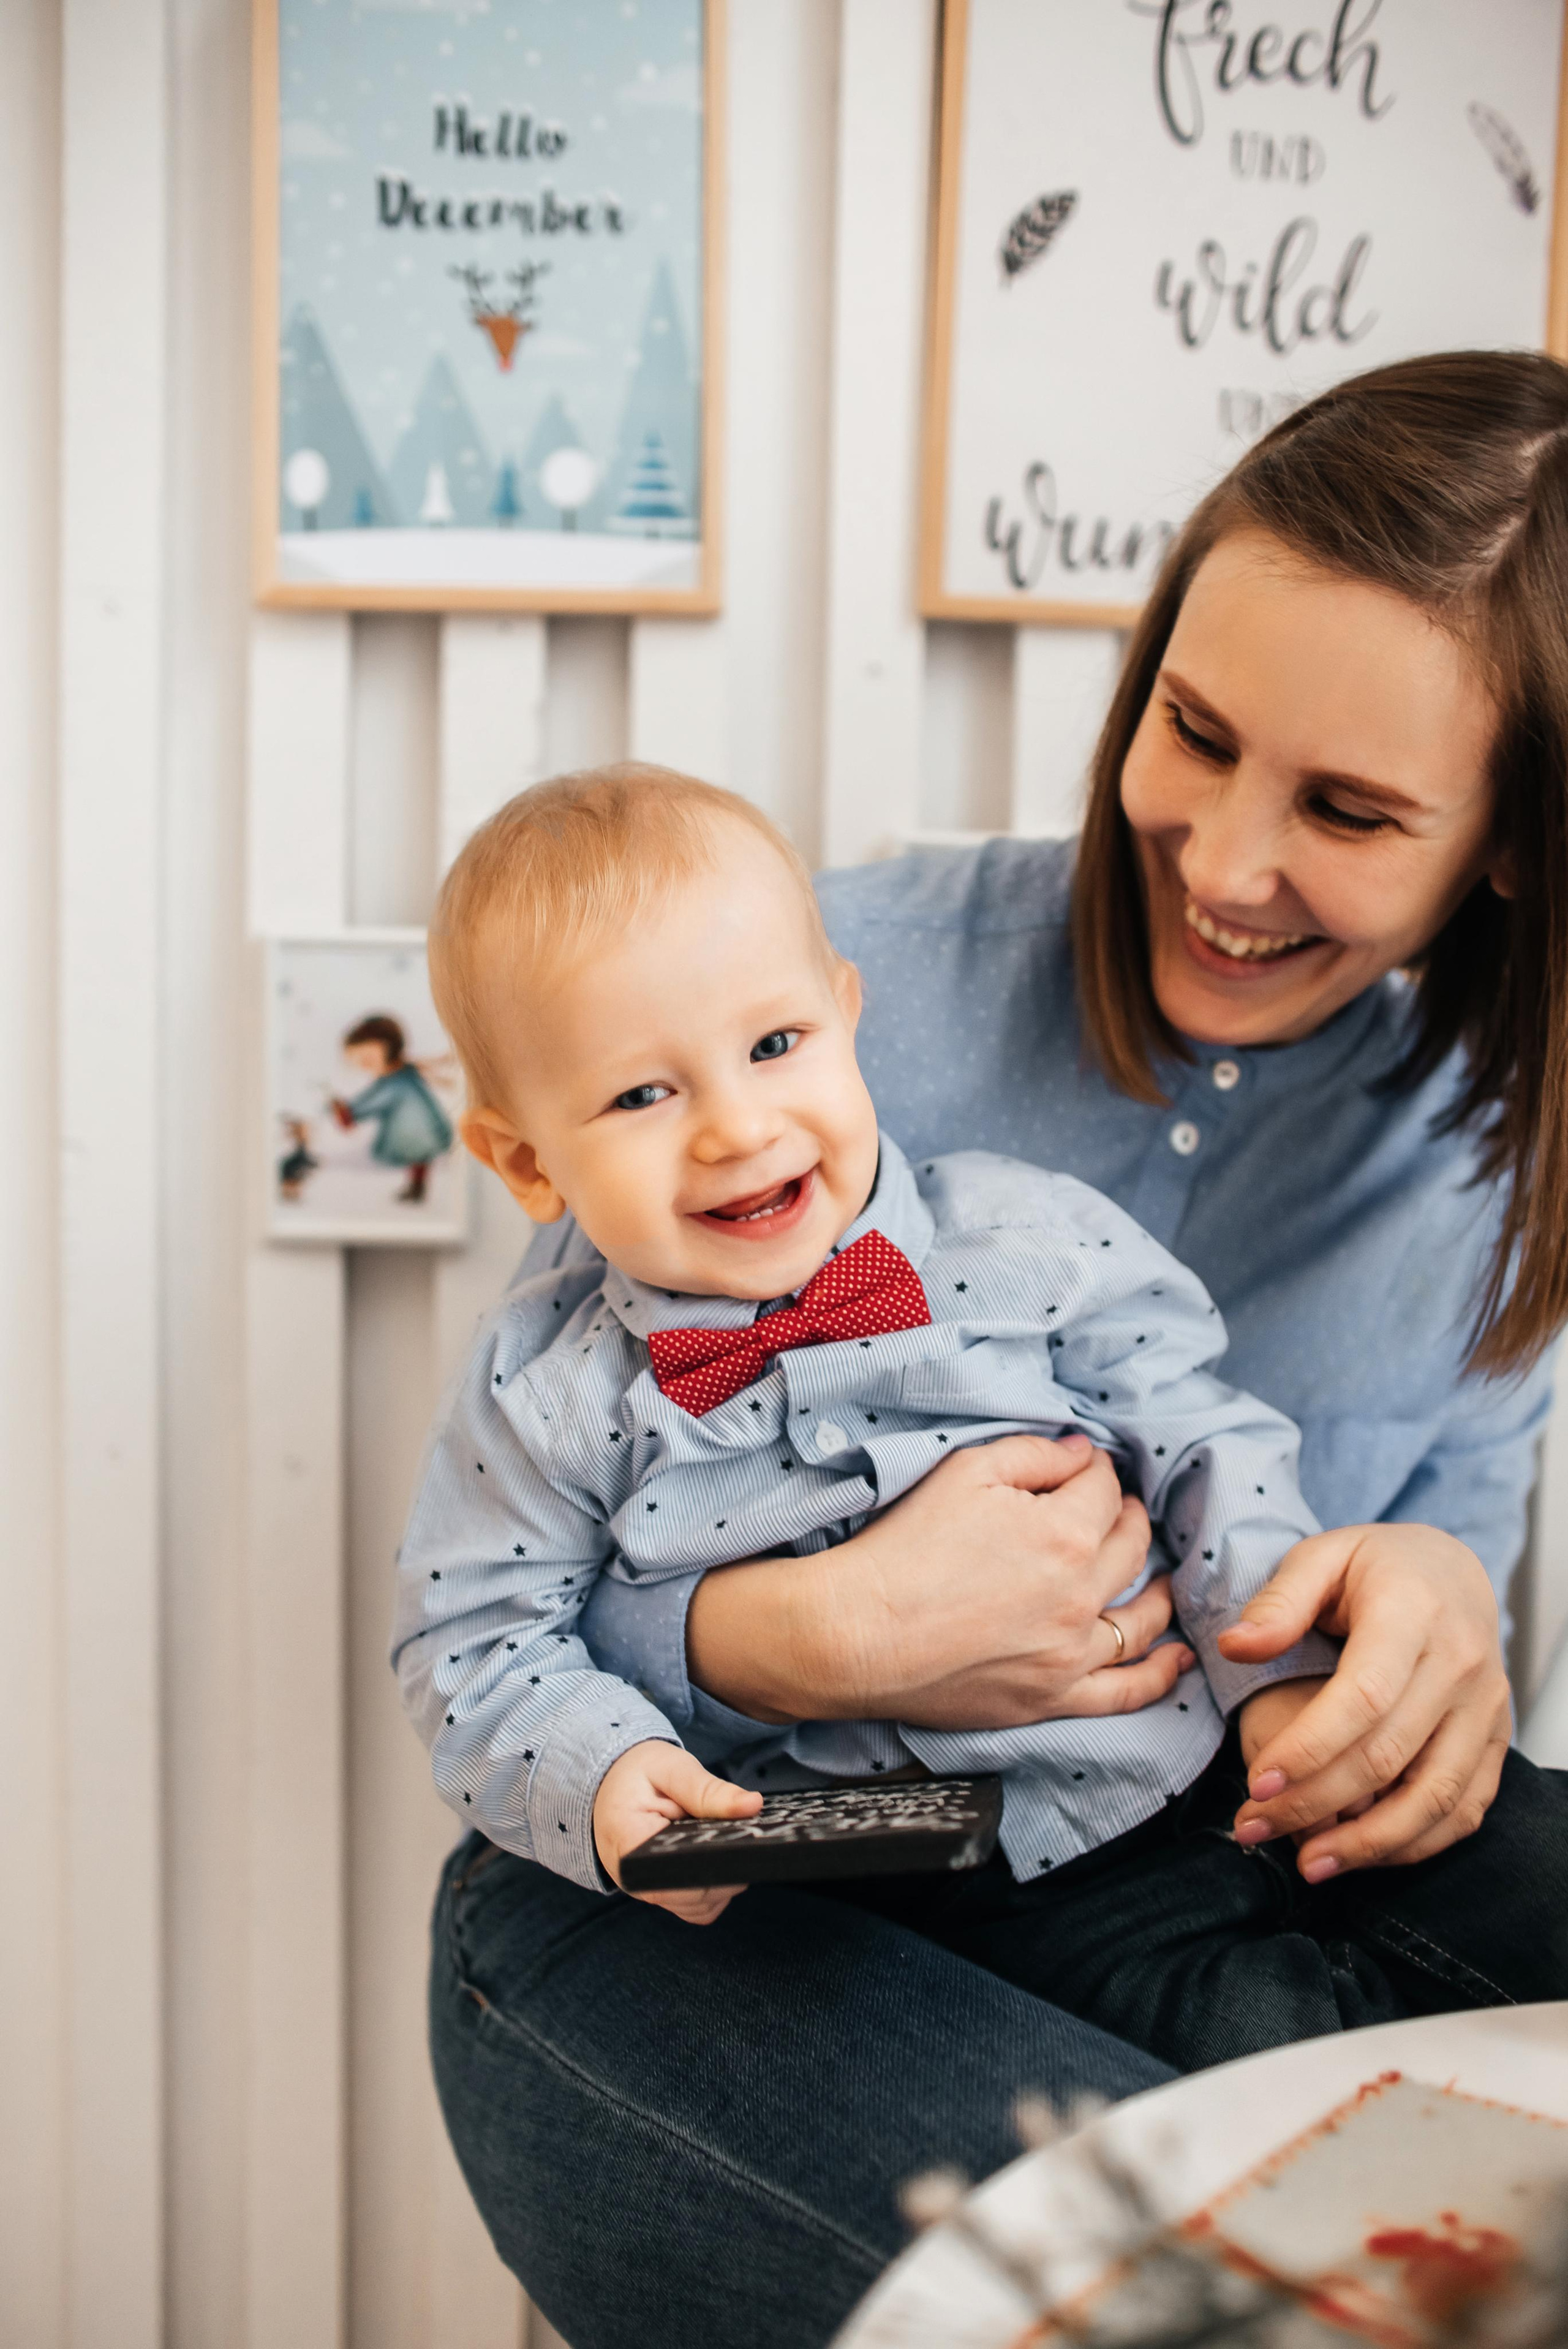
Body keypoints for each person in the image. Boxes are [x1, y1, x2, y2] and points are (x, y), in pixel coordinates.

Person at [420, 354, 1568, 2349]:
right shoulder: (754, 980)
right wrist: (808, 1636)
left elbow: (1349, 1590)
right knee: (1246, 2271)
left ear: (1509, 848)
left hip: (1169, 1843)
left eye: (1350, 808)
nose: (1219, 859)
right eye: (1193, 733)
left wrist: (1427, 1601)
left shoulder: (1488, 1153)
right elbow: (500, 1600)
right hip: (752, 1882)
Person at [398, 766, 1344, 1932]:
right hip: (814, 1884)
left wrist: (1279, 1670)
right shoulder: (545, 1396)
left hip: (1133, 1806)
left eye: (776, 1041)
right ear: (529, 1162)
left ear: (847, 1010)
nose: (739, 1127)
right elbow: (474, 1641)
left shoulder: (1024, 1236)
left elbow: (1207, 1445)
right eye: (643, 1092)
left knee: (1259, 2022)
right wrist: (596, 1776)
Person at [331, 1012, 454, 1203]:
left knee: (417, 1154)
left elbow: (378, 1099)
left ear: (388, 1049)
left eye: (368, 1060)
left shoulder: (397, 1081)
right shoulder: (401, 1074)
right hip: (419, 1126)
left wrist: (352, 1112)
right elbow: (373, 1096)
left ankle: (416, 1189)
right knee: (419, 1158)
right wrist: (351, 1108)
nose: (365, 1067)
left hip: (414, 1128)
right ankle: (416, 1188)